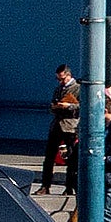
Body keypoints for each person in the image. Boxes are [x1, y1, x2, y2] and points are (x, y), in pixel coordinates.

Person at [37, 64, 80, 195]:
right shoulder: (58, 89)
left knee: (71, 158)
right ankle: (45, 185)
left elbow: (82, 107)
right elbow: (52, 104)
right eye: (58, 79)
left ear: (69, 75)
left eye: (62, 79)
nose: (60, 82)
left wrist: (68, 106)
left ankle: (69, 187)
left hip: (70, 127)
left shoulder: (78, 89)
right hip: (56, 125)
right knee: (49, 156)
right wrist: (55, 107)